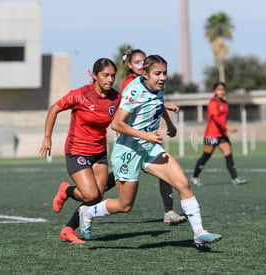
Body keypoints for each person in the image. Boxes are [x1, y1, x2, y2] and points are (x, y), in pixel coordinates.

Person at [79, 55, 222, 247]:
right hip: (128, 151)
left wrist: (169, 123)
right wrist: (146, 135)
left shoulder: (158, 87)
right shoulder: (134, 91)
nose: (162, 77)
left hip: (150, 148)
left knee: (183, 183)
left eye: (164, 73)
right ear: (145, 74)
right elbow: (117, 124)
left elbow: (157, 103)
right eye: (157, 73)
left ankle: (199, 232)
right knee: (125, 205)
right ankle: (87, 212)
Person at [39, 58, 121, 244]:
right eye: (105, 75)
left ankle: (68, 230)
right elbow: (54, 109)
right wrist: (47, 137)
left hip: (99, 152)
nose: (110, 79)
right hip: (77, 151)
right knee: (90, 194)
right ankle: (66, 191)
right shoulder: (80, 94)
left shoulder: (116, 98)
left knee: (97, 197)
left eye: (113, 76)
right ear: (94, 75)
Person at [111, 47, 186, 225]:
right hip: (130, 143)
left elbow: (156, 102)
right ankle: (90, 205)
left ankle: (169, 211)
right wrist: (142, 134)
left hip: (149, 142)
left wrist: (168, 121)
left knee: (168, 174)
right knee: (121, 199)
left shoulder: (156, 79)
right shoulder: (131, 83)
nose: (141, 64)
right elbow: (124, 114)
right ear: (129, 65)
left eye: (143, 61)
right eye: (137, 62)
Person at [191, 82, 248, 186]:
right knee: (206, 156)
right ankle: (195, 177)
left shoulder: (225, 103)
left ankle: (235, 179)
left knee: (229, 156)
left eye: (223, 89)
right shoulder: (213, 103)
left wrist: (225, 129)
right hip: (211, 135)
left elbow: (222, 118)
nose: (221, 91)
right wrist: (228, 126)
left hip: (222, 135)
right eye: (219, 89)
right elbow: (215, 118)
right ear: (214, 91)